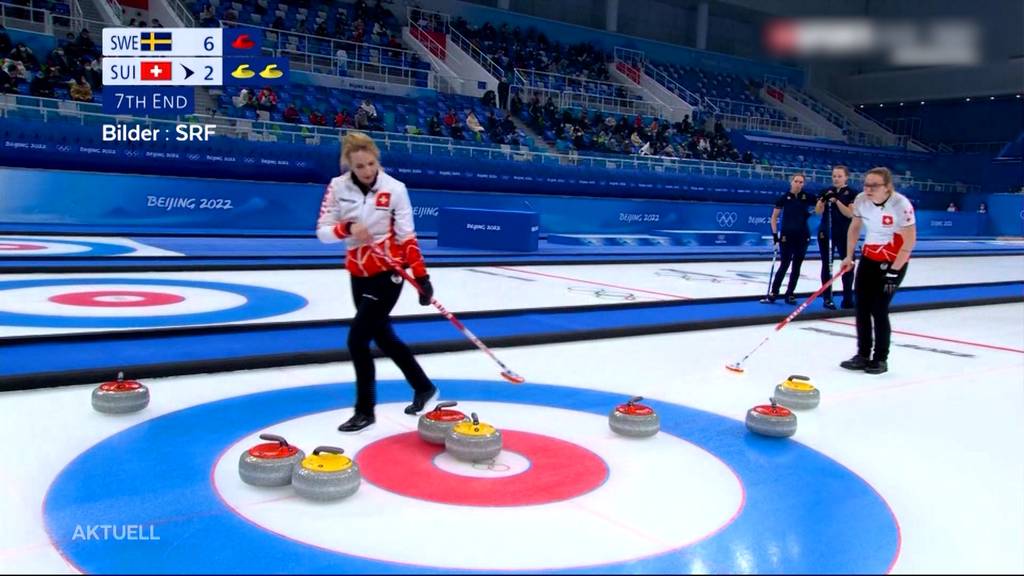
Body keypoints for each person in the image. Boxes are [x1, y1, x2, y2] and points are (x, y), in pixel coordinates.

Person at [316, 132, 438, 432]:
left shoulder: (395, 189)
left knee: (357, 340)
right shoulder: (337, 187)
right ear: (349, 165)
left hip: (388, 271)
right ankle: (424, 387)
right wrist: (346, 228)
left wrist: (422, 276)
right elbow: (323, 231)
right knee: (383, 337)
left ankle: (364, 410)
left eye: (371, 164)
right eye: (360, 166)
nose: (367, 171)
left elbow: (407, 236)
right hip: (358, 273)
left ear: (377, 160)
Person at [839, 167, 917, 375]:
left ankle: (880, 358)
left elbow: (910, 241)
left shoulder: (900, 205)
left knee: (879, 309)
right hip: (869, 259)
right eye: (866, 185)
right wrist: (849, 255)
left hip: (893, 262)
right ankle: (863, 354)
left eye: (874, 186)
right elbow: (854, 228)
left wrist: (894, 271)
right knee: (862, 308)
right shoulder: (862, 200)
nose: (869, 189)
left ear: (887, 187)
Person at [763, 173, 815, 305]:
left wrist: (812, 212)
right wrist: (775, 235)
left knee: (797, 266)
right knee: (784, 264)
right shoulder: (784, 198)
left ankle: (790, 293)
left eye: (801, 182)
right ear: (791, 182)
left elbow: (820, 205)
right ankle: (774, 292)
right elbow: (774, 217)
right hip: (787, 235)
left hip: (803, 235)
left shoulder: (807, 197)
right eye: (796, 181)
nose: (798, 184)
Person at [814, 165, 857, 309]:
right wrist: (823, 201)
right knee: (827, 264)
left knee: (848, 264)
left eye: (839, 176)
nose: (836, 179)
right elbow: (818, 212)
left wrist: (837, 201)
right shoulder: (825, 191)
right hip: (827, 232)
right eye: (834, 176)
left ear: (846, 177)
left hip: (845, 232)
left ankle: (848, 298)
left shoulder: (851, 193)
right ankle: (827, 298)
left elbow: (850, 214)